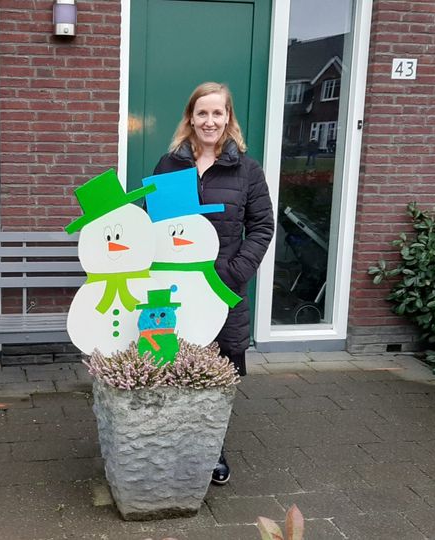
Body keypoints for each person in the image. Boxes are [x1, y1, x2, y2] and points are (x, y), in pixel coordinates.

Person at [153, 81, 274, 486]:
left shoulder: (247, 170)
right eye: (202, 113)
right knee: (173, 365)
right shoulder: (170, 165)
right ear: (190, 117)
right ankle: (173, 444)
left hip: (223, 289)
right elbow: (157, 223)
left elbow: (262, 225)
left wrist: (235, 271)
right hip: (177, 288)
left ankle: (211, 448)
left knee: (219, 374)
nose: (209, 121)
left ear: (228, 118)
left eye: (217, 113)